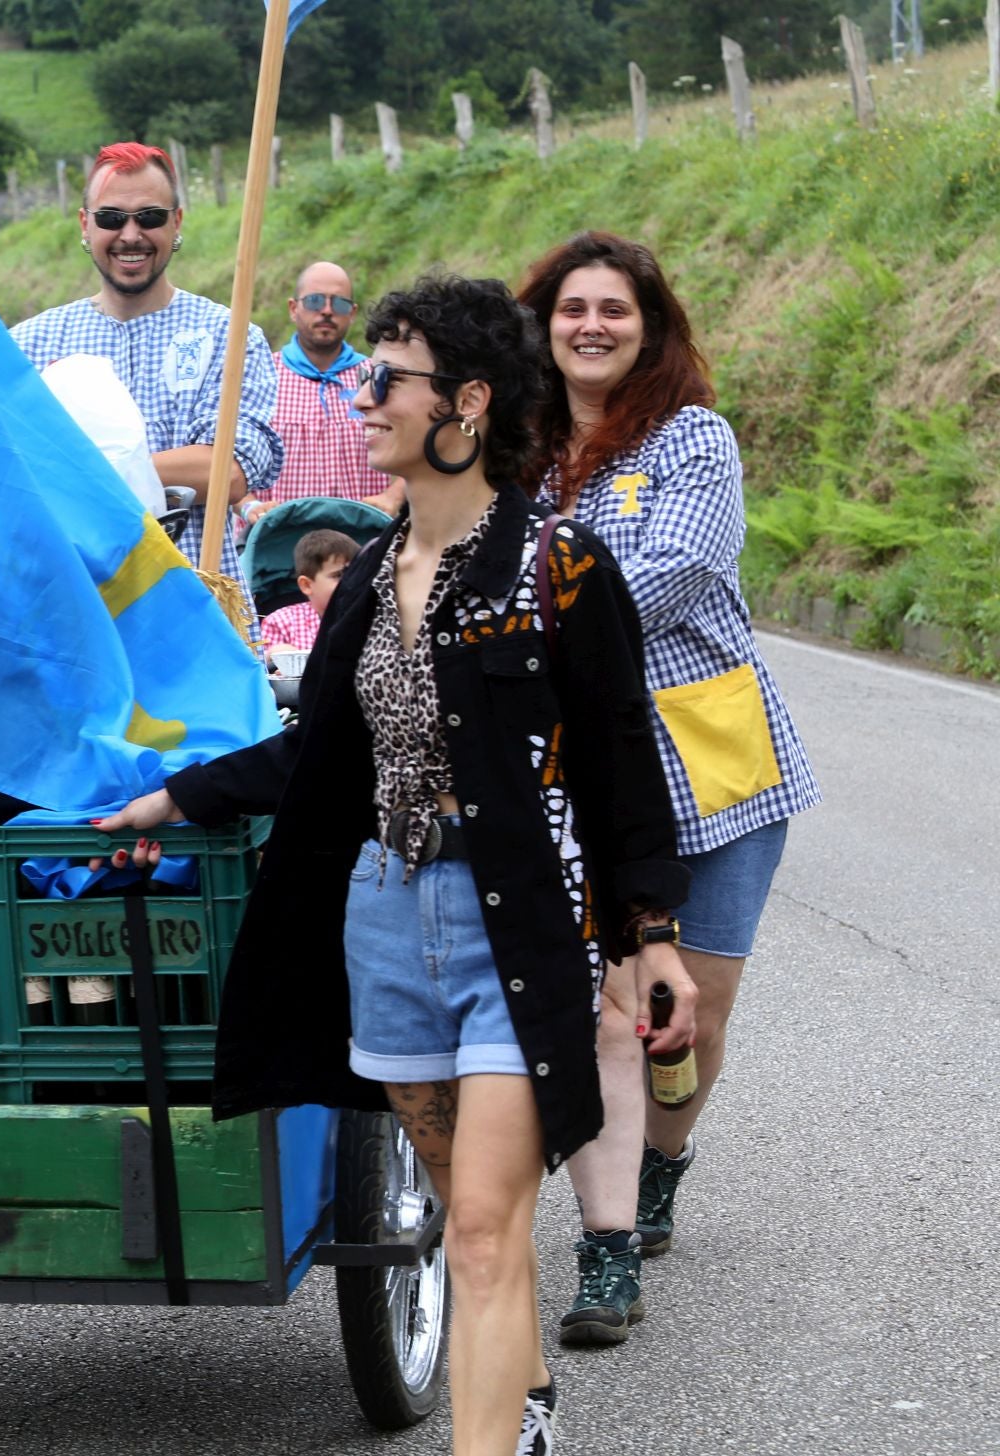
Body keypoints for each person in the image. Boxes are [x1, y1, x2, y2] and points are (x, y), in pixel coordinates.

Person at [98, 276, 696, 1456]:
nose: (362, 398)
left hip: (512, 926)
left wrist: (650, 930)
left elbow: (625, 759)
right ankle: (520, 1403)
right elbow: (322, 749)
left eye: (390, 378)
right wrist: (182, 789)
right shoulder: (369, 574)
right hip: (385, 920)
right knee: (478, 1221)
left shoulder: (560, 568)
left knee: (476, 1227)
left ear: (466, 402)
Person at [516, 232, 821, 1347]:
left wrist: (527, 617)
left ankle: (662, 1164)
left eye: (616, 310)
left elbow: (678, 567)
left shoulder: (694, 437)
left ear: (650, 328)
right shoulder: (515, 442)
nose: (592, 325)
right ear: (541, 324)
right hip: (572, 767)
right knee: (617, 1006)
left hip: (712, 761)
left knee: (693, 1013)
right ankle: (606, 1231)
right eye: (572, 308)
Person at [10, 141, 282, 618]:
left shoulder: (230, 336)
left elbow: (230, 471)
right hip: (73, 616)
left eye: (150, 218)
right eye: (112, 218)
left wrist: (82, 472)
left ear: (176, 223)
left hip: (199, 611)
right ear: (84, 224)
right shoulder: (28, 345)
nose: (130, 235)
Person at [244, 261, 400, 525]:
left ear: (352, 313)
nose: (327, 311)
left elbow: (417, 441)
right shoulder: (260, 376)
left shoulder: (377, 376)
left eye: (338, 304)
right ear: (294, 309)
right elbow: (223, 456)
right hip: (276, 543)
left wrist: (394, 497)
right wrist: (248, 506)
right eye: (315, 301)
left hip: (364, 540)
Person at [260, 528, 356, 660]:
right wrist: (274, 657)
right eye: (338, 575)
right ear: (307, 585)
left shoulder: (369, 618)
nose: (350, 581)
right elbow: (261, 672)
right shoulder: (279, 623)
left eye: (355, 572)